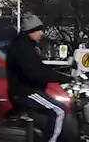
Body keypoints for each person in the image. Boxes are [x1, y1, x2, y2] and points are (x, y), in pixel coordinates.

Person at [7, 14, 71, 142]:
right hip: (26, 92)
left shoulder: (26, 45)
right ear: (31, 31)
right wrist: (64, 78)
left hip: (27, 89)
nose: (41, 33)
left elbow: (40, 68)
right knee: (59, 111)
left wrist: (61, 76)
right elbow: (36, 71)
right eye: (39, 30)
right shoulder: (22, 47)